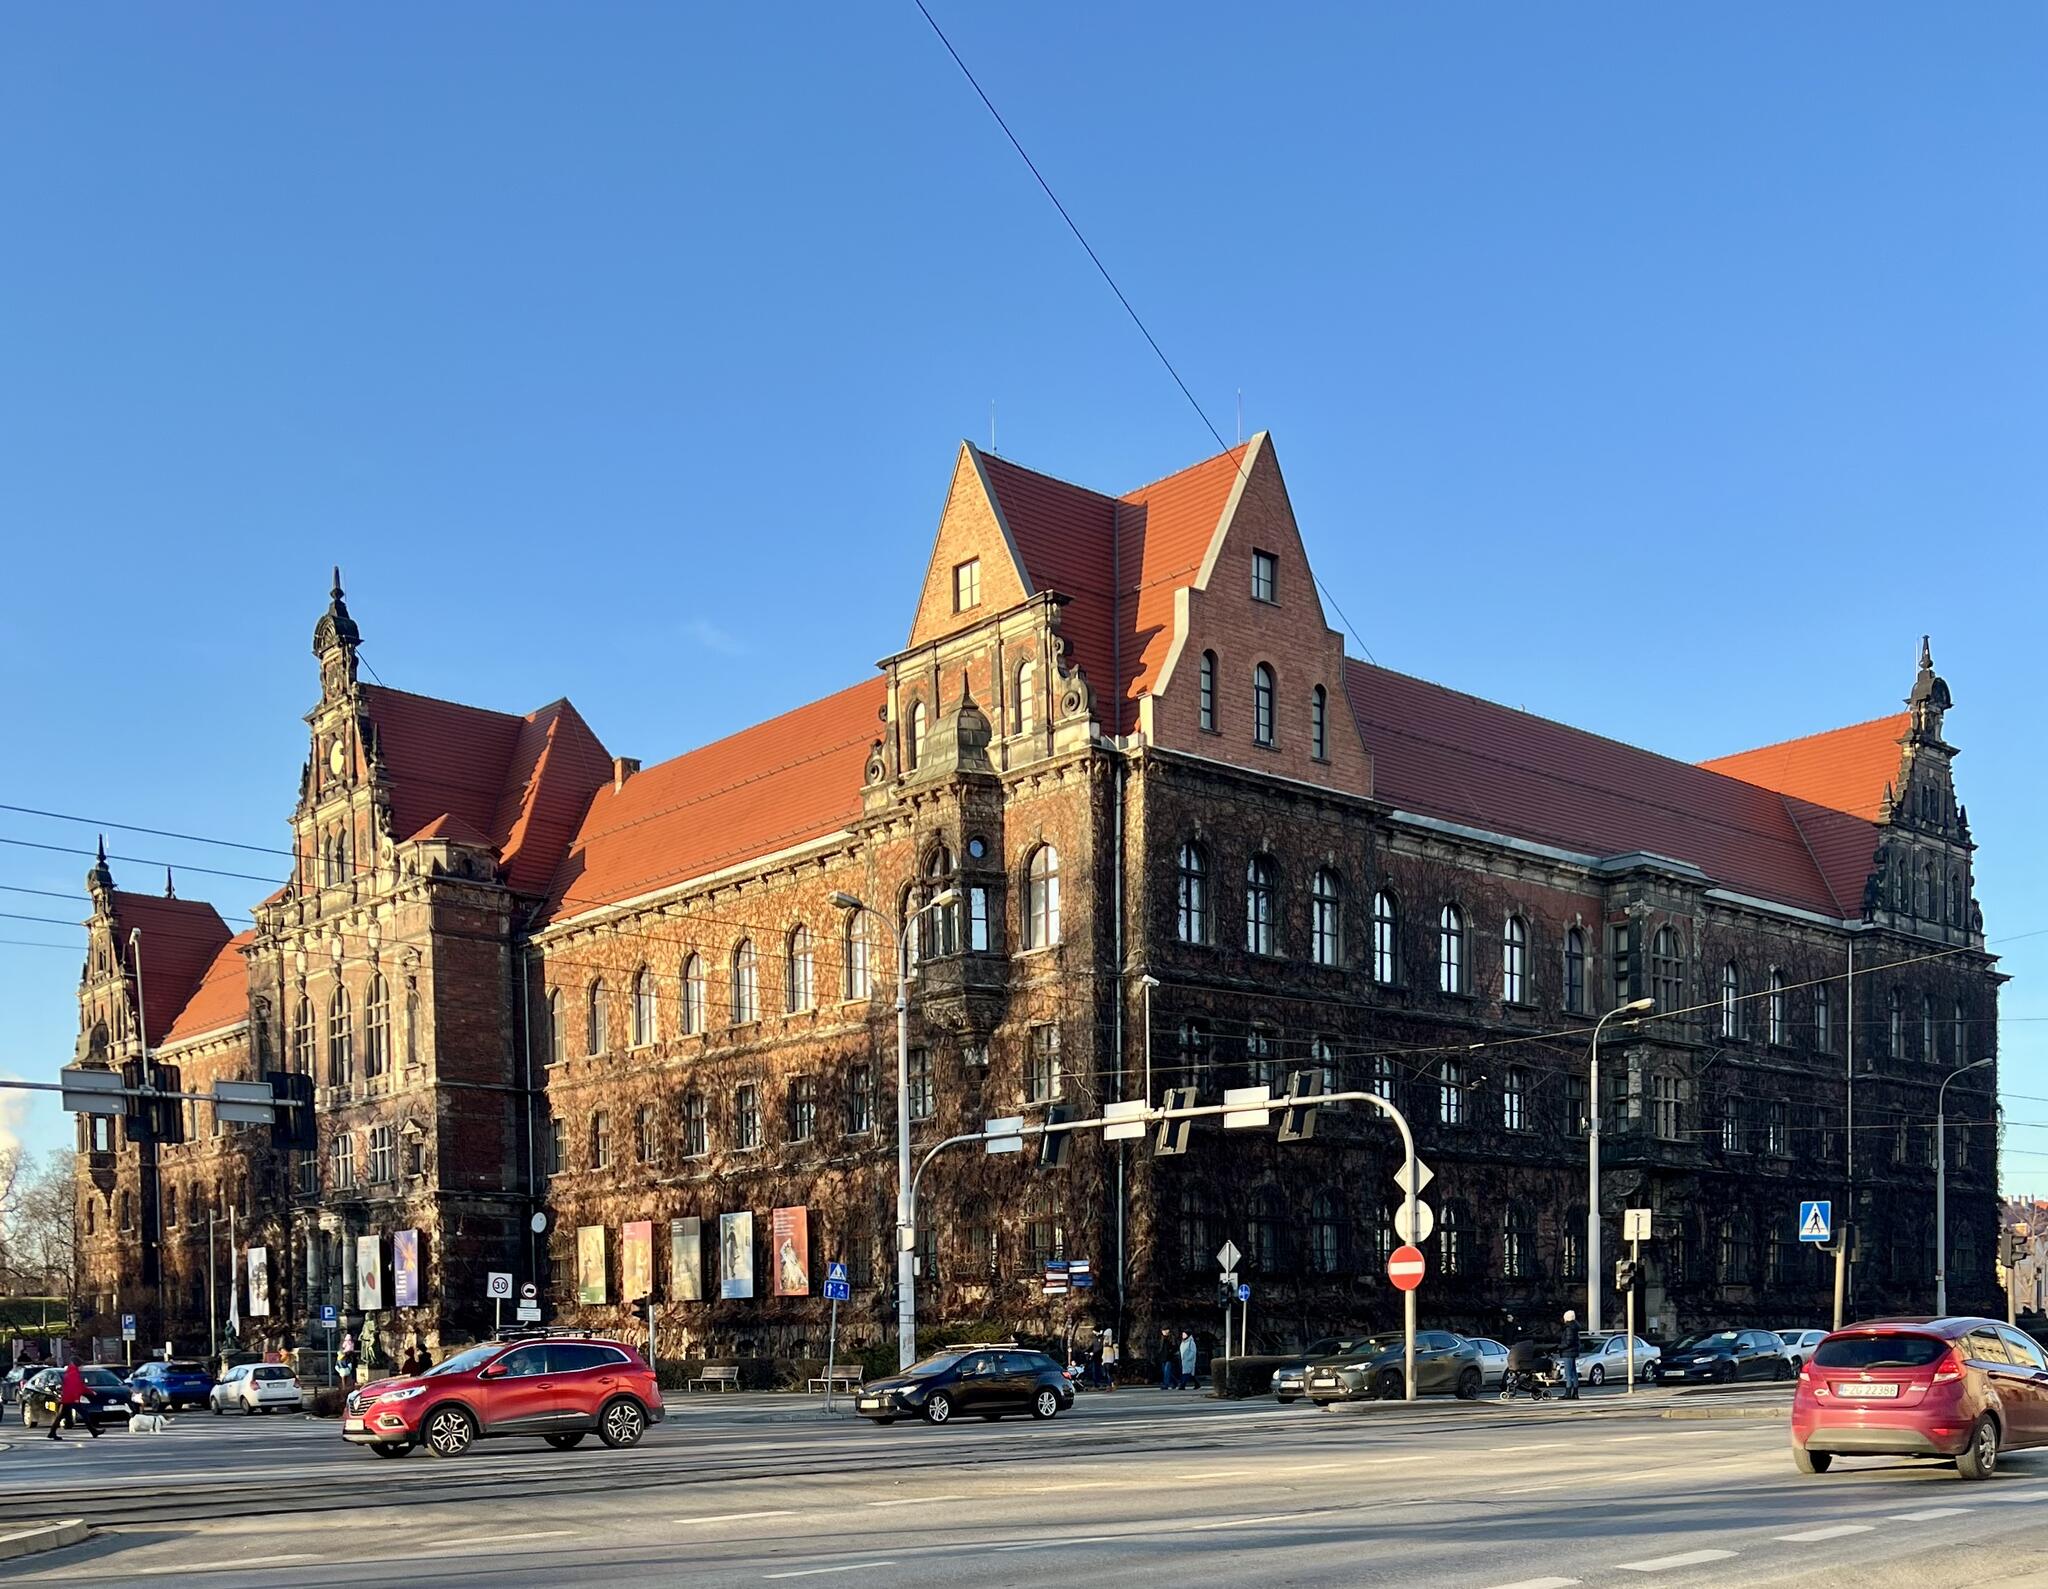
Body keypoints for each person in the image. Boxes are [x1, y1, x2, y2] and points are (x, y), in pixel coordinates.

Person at [47, 1361, 100, 1441]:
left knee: (61, 1416)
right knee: (84, 1414)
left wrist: (90, 1392)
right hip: (71, 1399)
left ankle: (52, 1432)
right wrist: (77, 1398)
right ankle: (94, 1431)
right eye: (81, 1366)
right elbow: (76, 1387)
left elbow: (78, 1386)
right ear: (78, 1366)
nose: (82, 1368)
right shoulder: (74, 1374)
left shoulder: (70, 1373)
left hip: (67, 1398)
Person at [1560, 1308, 1582, 1400]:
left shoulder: (1569, 1328)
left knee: (1568, 1373)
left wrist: (1559, 1347)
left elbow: (1568, 1342)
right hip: (1573, 1351)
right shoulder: (1575, 1327)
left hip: (1568, 1352)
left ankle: (1568, 1393)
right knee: (1574, 1373)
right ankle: (1575, 1393)